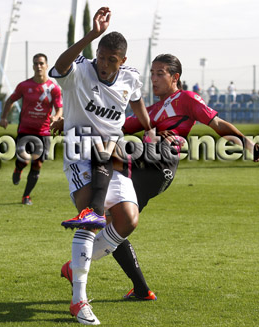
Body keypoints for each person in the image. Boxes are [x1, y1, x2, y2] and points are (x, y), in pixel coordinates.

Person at [56, 53, 259, 312]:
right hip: (146, 173)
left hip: (161, 161)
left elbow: (216, 123)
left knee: (102, 151)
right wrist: (73, 120)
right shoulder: (152, 110)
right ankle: (140, 289)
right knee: (119, 224)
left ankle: (90, 217)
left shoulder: (185, 98)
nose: (153, 79)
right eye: (151, 73)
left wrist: (246, 142)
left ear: (175, 77)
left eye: (160, 73)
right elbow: (117, 124)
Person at [49, 7, 152, 325]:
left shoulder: (131, 77)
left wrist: (148, 128)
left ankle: (75, 264)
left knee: (128, 219)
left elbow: (134, 99)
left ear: (121, 61)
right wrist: (92, 34)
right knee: (90, 218)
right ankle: (78, 299)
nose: (104, 65)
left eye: (111, 60)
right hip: (80, 152)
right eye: (102, 56)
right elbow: (61, 65)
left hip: (111, 154)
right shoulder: (80, 70)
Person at [0, 53, 63, 205]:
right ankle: (18, 169)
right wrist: (3, 117)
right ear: (33, 66)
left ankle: (26, 196)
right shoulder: (24, 86)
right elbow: (10, 100)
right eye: (36, 63)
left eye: (41, 63)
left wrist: (56, 117)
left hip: (44, 133)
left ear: (47, 66)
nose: (39, 66)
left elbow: (59, 108)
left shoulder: (54, 88)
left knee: (37, 164)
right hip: (25, 131)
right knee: (25, 159)